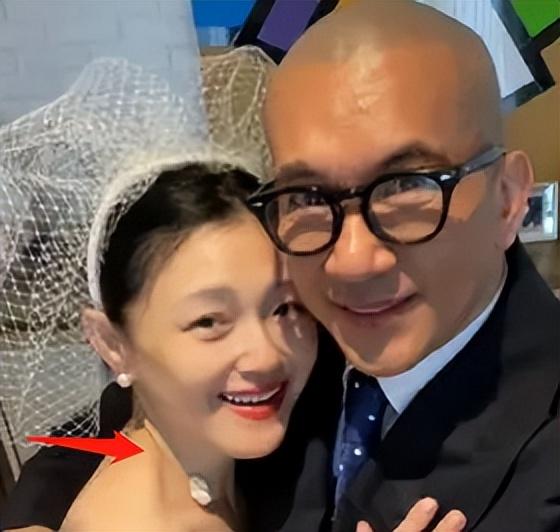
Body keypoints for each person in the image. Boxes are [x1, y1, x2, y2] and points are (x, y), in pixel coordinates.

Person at [3, 1, 558, 530]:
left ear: (508, 199)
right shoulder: (307, 331)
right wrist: (38, 517)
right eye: (308, 194)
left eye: (406, 187)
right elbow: (106, 425)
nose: (352, 262)